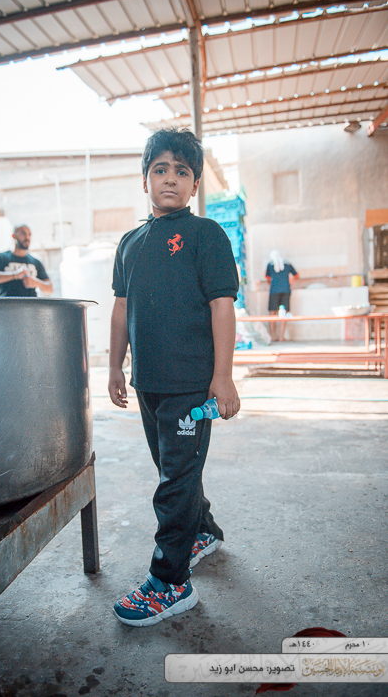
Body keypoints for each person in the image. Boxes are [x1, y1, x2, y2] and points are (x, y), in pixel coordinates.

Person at [108, 128, 241, 627]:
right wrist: (115, 365)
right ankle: (202, 532)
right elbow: (121, 310)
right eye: (160, 169)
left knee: (174, 482)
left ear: (195, 184)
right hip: (148, 382)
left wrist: (223, 377)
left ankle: (171, 582)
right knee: (174, 469)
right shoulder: (130, 242)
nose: (170, 179)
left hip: (190, 383)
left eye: (182, 171)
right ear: (144, 179)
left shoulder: (206, 234)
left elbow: (222, 306)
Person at [0, 224, 53, 297]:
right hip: (6, 303)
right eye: (23, 234)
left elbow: (50, 289)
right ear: (14, 236)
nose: (27, 237)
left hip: (30, 303)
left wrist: (36, 282)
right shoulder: (1, 258)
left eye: (29, 234)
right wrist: (15, 275)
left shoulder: (36, 262)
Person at [265, 250, 299, 342]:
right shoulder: (287, 264)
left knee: (272, 313)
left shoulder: (270, 265)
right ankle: (281, 337)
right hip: (285, 290)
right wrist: (291, 282)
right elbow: (296, 275)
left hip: (274, 291)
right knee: (283, 314)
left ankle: (272, 336)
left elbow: (267, 278)